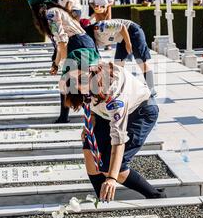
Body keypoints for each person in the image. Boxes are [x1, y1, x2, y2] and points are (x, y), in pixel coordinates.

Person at [60, 60, 166, 202]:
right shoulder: (86, 81)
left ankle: (156, 196)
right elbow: (89, 103)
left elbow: (118, 139)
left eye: (80, 80)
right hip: (104, 114)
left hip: (140, 111)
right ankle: (103, 199)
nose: (77, 85)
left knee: (111, 167)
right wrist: (90, 121)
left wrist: (111, 178)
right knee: (89, 151)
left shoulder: (114, 93)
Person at [28, 0, 99, 124]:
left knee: (71, 83)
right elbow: (61, 44)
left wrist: (65, 64)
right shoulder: (57, 11)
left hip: (78, 47)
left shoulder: (50, 14)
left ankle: (81, 116)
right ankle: (88, 115)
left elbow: (62, 41)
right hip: (83, 44)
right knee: (80, 82)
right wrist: (56, 64)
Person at [84, 18, 156, 95]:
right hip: (121, 38)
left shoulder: (100, 27)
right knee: (118, 66)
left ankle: (151, 89)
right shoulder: (92, 41)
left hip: (132, 30)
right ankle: (122, 90)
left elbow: (122, 27)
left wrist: (128, 44)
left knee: (141, 62)